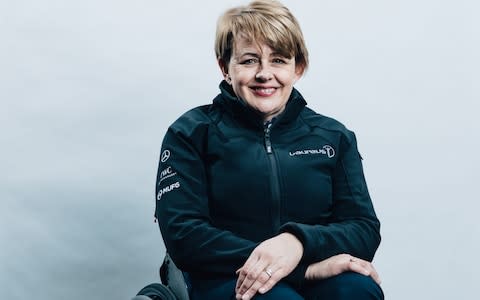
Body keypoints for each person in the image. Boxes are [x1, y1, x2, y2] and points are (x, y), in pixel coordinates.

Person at [155, 1, 383, 299]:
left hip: (316, 265)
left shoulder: (333, 136)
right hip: (225, 275)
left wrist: (297, 243)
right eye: (249, 61)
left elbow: (363, 228)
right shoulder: (191, 133)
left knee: (357, 291)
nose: (265, 74)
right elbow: (184, 235)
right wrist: (297, 268)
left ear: (297, 67)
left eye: (278, 60)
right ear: (225, 67)